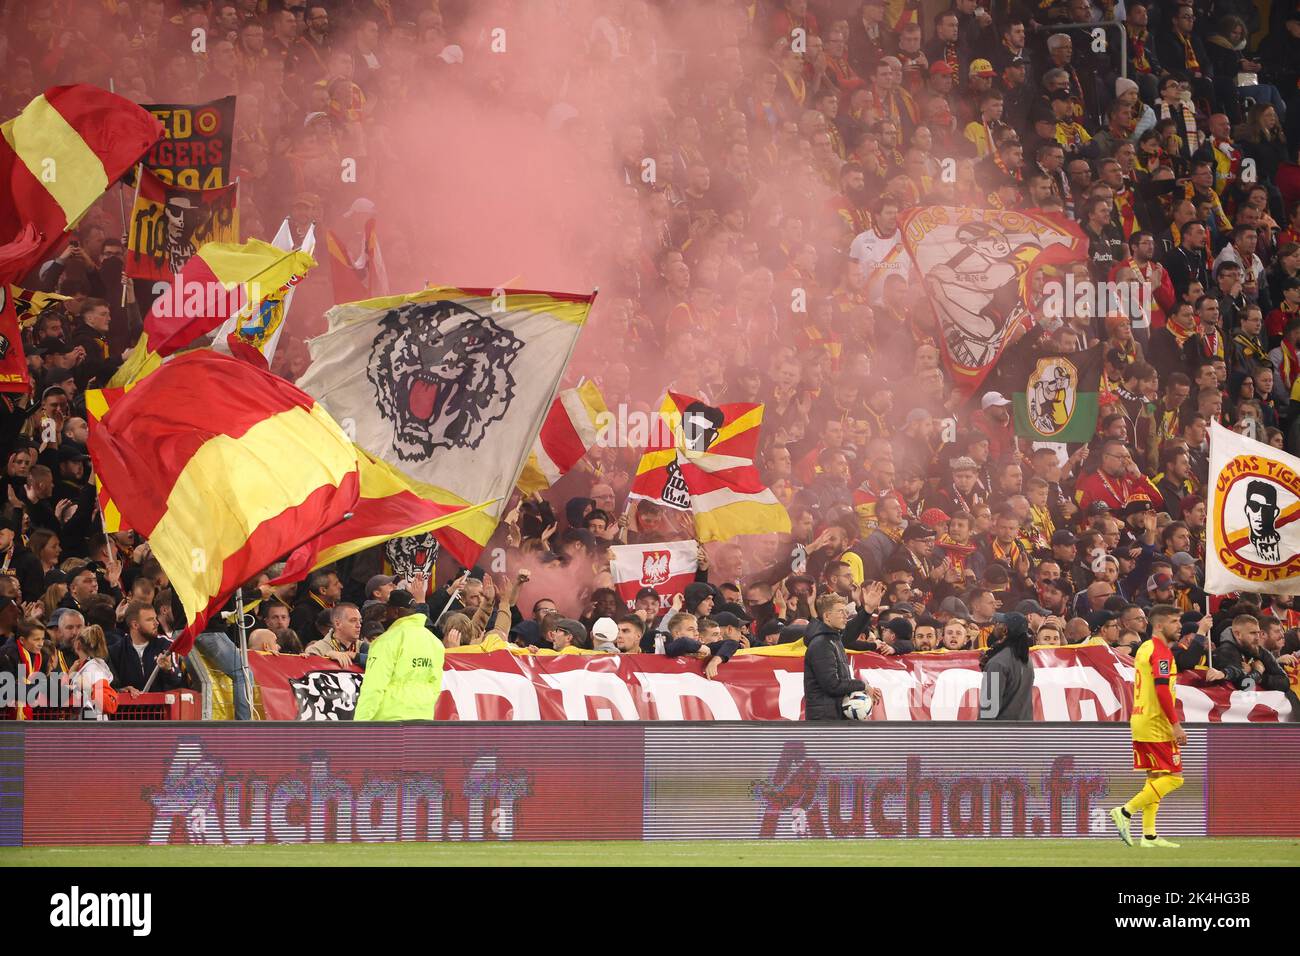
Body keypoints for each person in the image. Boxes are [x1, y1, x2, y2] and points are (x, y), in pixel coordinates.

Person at [1109, 603, 1186, 849]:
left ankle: (1149, 835)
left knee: (1156, 777)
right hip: (1156, 722)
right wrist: (1175, 724)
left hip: (1141, 718)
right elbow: (1162, 689)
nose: (1180, 626)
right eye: (1175, 621)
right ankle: (1125, 811)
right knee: (1175, 778)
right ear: (1160, 625)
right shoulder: (1161, 652)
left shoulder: (1145, 647)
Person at [353, 595, 445, 721]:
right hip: (424, 715)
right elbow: (436, 684)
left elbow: (374, 686)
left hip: (389, 719)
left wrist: (360, 724)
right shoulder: (434, 642)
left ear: (396, 611)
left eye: (388, 610)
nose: (385, 614)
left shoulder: (386, 641)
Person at [802, 593, 881, 720]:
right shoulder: (821, 644)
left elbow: (851, 631)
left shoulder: (833, 639)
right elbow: (832, 685)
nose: (846, 616)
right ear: (827, 616)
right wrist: (863, 686)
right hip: (825, 721)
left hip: (832, 716)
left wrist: (868, 610)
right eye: (840, 612)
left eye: (846, 612)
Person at [978, 612, 1034, 719]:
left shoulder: (998, 663)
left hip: (1002, 733)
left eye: (999, 623)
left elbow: (988, 711)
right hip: (1024, 731)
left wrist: (982, 734)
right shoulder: (1026, 659)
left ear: (1005, 630)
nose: (995, 626)